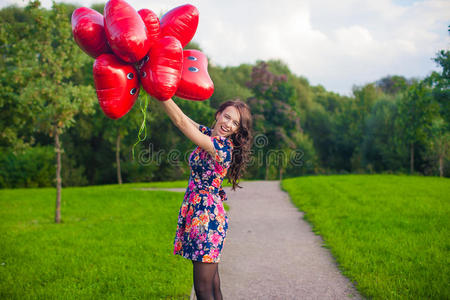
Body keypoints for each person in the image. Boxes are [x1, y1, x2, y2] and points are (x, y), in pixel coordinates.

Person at [158, 98, 252, 300]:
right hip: (199, 215)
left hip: (206, 220)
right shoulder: (210, 135)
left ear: (237, 130)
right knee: (212, 284)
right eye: (227, 117)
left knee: (202, 289)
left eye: (235, 123)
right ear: (218, 114)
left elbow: (180, 123)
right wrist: (164, 94)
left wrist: (160, 94)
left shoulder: (220, 147)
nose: (228, 124)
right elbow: (184, 119)